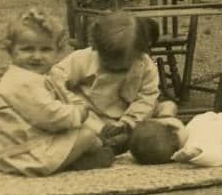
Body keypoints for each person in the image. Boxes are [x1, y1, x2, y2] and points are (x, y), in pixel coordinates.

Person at [0, 10, 116, 176]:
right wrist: (78, 113)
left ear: (57, 50)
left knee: (89, 131)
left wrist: (79, 108)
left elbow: (64, 97)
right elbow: (50, 115)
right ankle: (76, 159)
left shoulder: (43, 75)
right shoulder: (21, 82)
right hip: (22, 153)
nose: (37, 56)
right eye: (27, 49)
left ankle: (91, 148)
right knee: (87, 136)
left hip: (36, 137)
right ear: (11, 50)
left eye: (46, 49)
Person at [47, 10, 161, 153]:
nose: (116, 72)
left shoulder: (145, 65)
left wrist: (128, 122)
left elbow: (146, 97)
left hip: (123, 117)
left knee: (155, 118)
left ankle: (114, 143)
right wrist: (72, 102)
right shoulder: (83, 59)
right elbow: (55, 78)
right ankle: (94, 146)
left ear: (140, 53)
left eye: (123, 69)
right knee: (71, 125)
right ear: (96, 49)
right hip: (88, 114)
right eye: (108, 65)